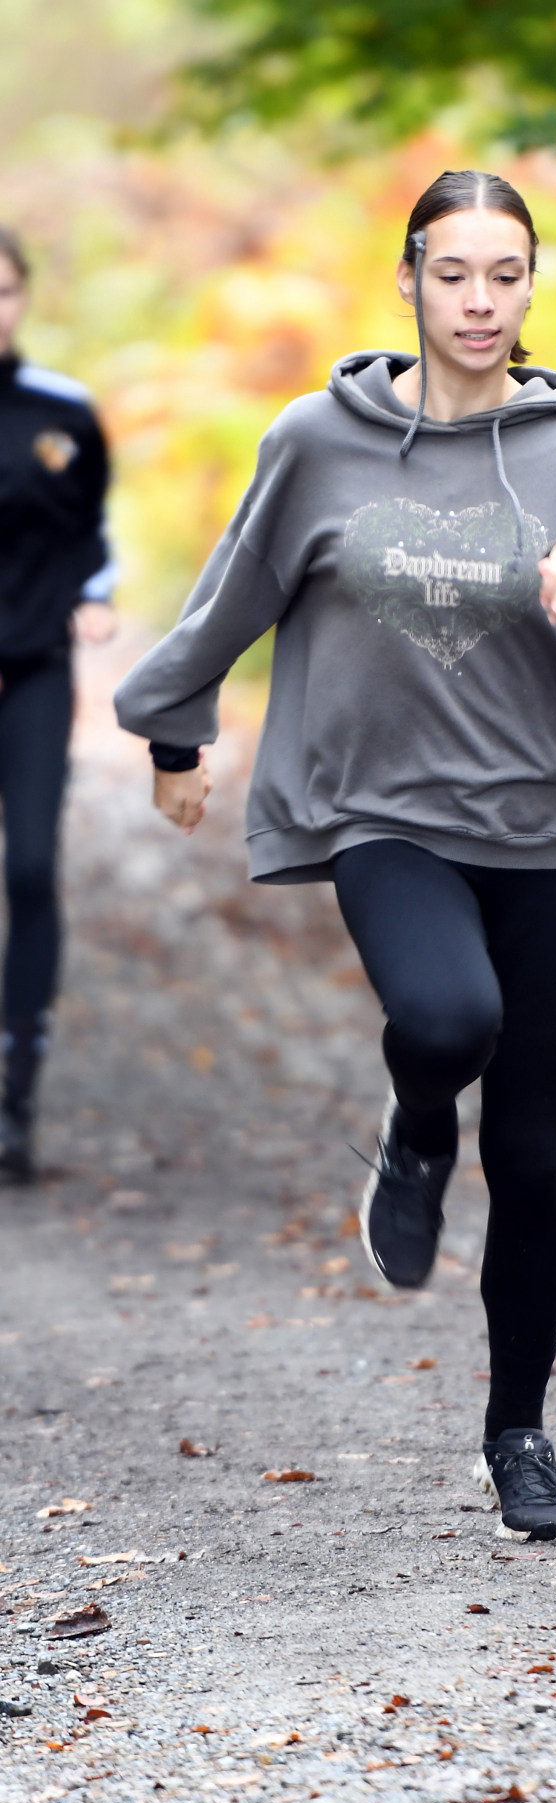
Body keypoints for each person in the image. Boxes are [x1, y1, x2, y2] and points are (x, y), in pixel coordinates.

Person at [115, 170, 556, 1539]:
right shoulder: (319, 440)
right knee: (447, 1016)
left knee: (542, 1156)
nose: (481, 301)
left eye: (506, 275)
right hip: (385, 816)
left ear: (531, 285)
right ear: (410, 281)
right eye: (455, 274)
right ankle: (414, 1121)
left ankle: (519, 1432)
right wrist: (172, 729)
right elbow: (233, 594)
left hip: (547, 831)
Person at [0, 227, 116, 1181]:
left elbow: (94, 533)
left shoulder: (62, 413)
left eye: (2, 291)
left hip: (33, 671)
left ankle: (16, 1087)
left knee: (32, 868)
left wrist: (97, 596)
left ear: (22, 297)